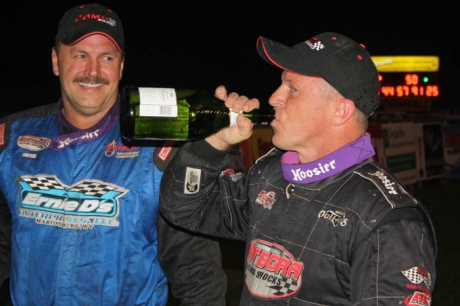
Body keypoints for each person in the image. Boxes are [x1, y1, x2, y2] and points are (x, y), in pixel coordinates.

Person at [158, 32, 437, 305]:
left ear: (340, 111)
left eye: (293, 89)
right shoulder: (271, 172)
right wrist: (212, 144)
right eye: (281, 85)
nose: (273, 98)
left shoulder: (386, 218)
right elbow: (185, 210)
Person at [0, 3, 226, 305]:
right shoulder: (10, 138)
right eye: (80, 55)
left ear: (120, 67)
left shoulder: (160, 150)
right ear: (56, 61)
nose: (92, 71)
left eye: (106, 57)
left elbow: (198, 276)